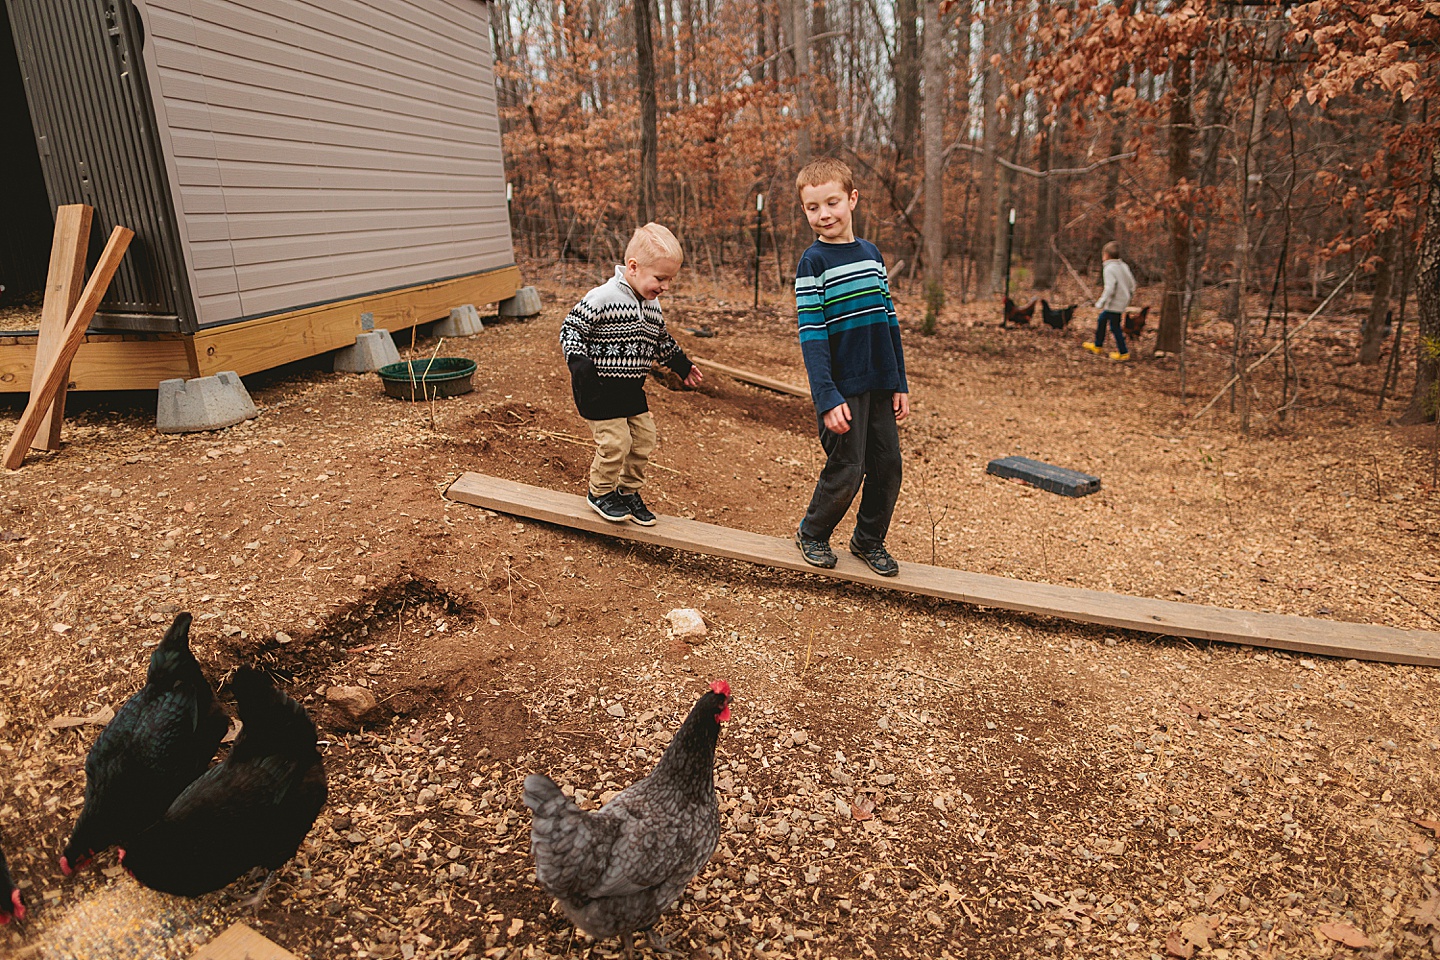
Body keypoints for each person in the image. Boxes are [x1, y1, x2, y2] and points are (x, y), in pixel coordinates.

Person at [791, 157, 909, 577]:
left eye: (832, 202)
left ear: (853, 199)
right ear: (804, 210)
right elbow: (813, 337)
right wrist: (826, 396)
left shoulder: (872, 255)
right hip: (841, 390)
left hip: (879, 383)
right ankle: (813, 533)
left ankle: (868, 540)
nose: (824, 214)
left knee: (888, 465)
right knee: (848, 467)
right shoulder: (813, 263)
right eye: (812, 207)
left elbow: (888, 322)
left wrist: (899, 382)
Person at [560, 223, 703, 526]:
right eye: (660, 278)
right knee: (615, 442)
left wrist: (681, 365)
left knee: (643, 440)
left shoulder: (652, 305)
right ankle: (599, 493)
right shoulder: (602, 296)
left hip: (631, 389)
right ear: (634, 267)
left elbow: (661, 340)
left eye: (670, 279)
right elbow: (571, 327)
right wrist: (579, 362)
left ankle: (627, 493)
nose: (665, 286)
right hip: (598, 387)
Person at [1084, 240, 1137, 361]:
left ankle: (1123, 352)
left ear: (1106, 255)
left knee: (1114, 326)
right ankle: (1098, 345)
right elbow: (1132, 284)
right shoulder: (1123, 266)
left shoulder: (1109, 269)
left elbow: (1110, 287)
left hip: (1114, 303)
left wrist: (1100, 302)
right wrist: (1129, 295)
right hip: (1122, 300)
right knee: (1102, 320)